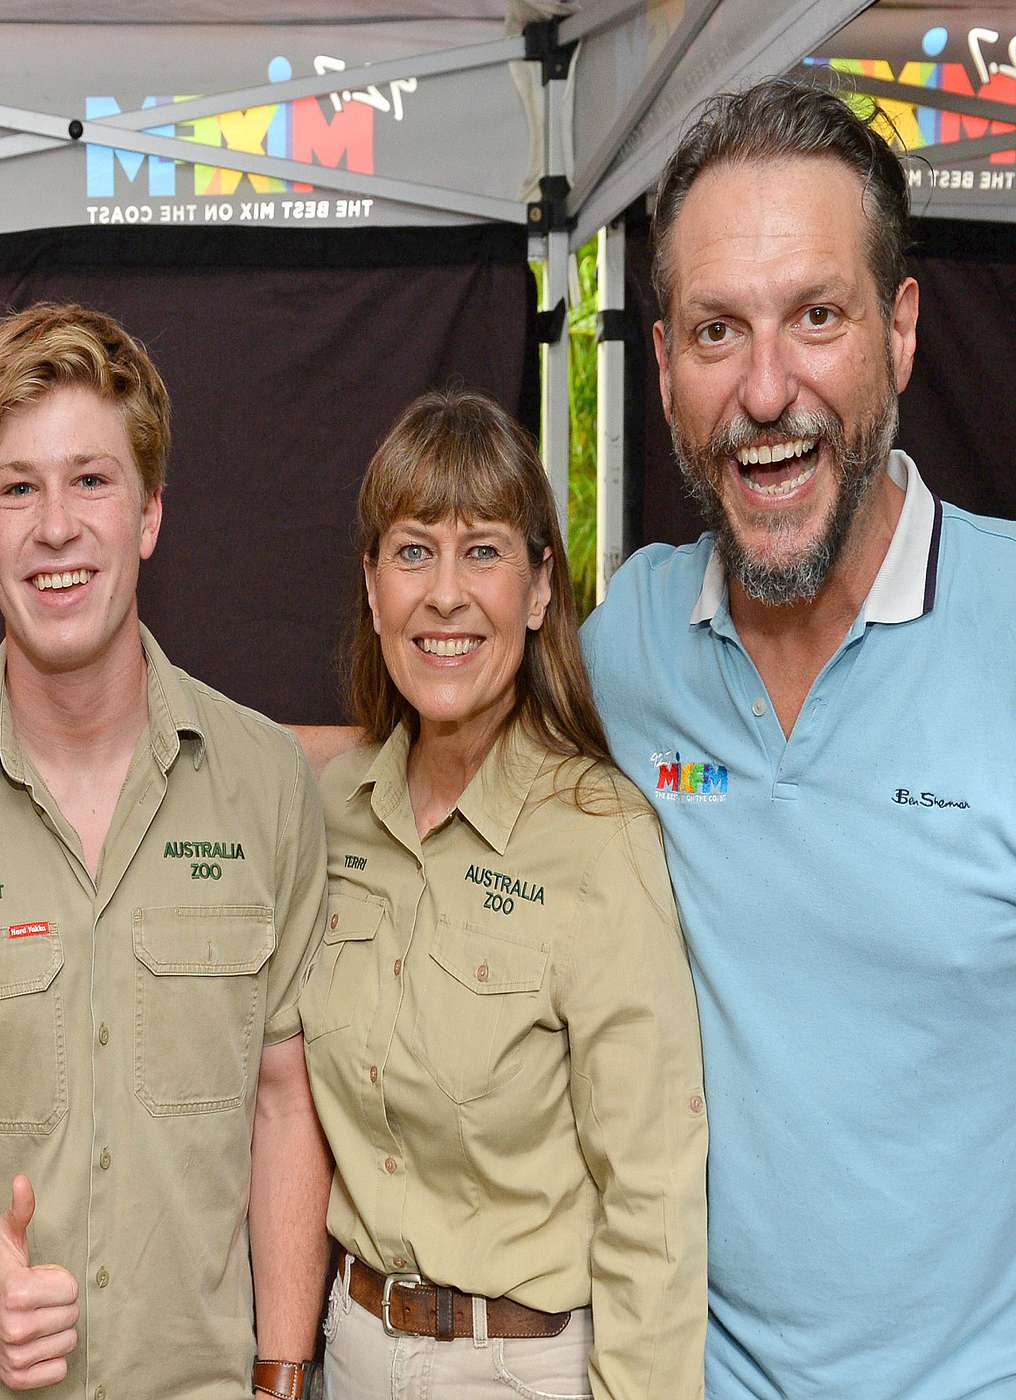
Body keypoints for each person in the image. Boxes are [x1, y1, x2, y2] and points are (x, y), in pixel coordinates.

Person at [0, 302, 332, 1399]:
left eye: (90, 480)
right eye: (17, 489)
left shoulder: (266, 786)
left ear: (149, 513)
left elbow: (286, 1104)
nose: (55, 528)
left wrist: (282, 1378)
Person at [580, 79, 1016, 1398]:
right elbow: (419, 766)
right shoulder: (627, 643)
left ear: (901, 329)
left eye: (816, 316)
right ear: (664, 365)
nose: (766, 391)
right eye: (719, 330)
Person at [301, 390, 707, 1399]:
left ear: (537, 590)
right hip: (347, 1350)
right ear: (372, 586)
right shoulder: (332, 813)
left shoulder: (599, 838)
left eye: (480, 551)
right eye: (412, 552)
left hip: (519, 1369)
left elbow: (653, 1195)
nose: (444, 596)